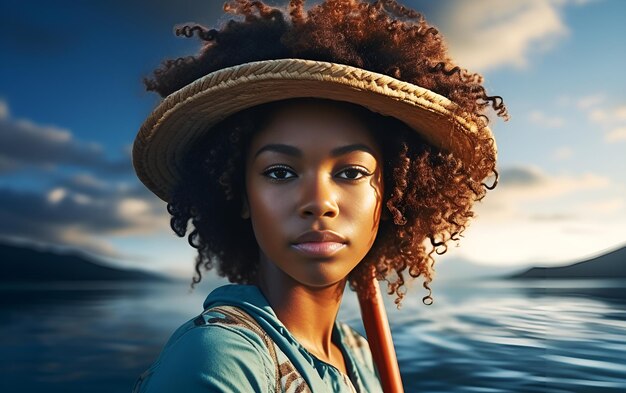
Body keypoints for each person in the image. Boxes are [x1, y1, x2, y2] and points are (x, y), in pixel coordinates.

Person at [131, 1, 507, 392]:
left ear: (392, 193)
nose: (319, 202)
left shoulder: (359, 354)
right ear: (240, 195)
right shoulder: (219, 360)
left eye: (351, 172)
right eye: (280, 172)